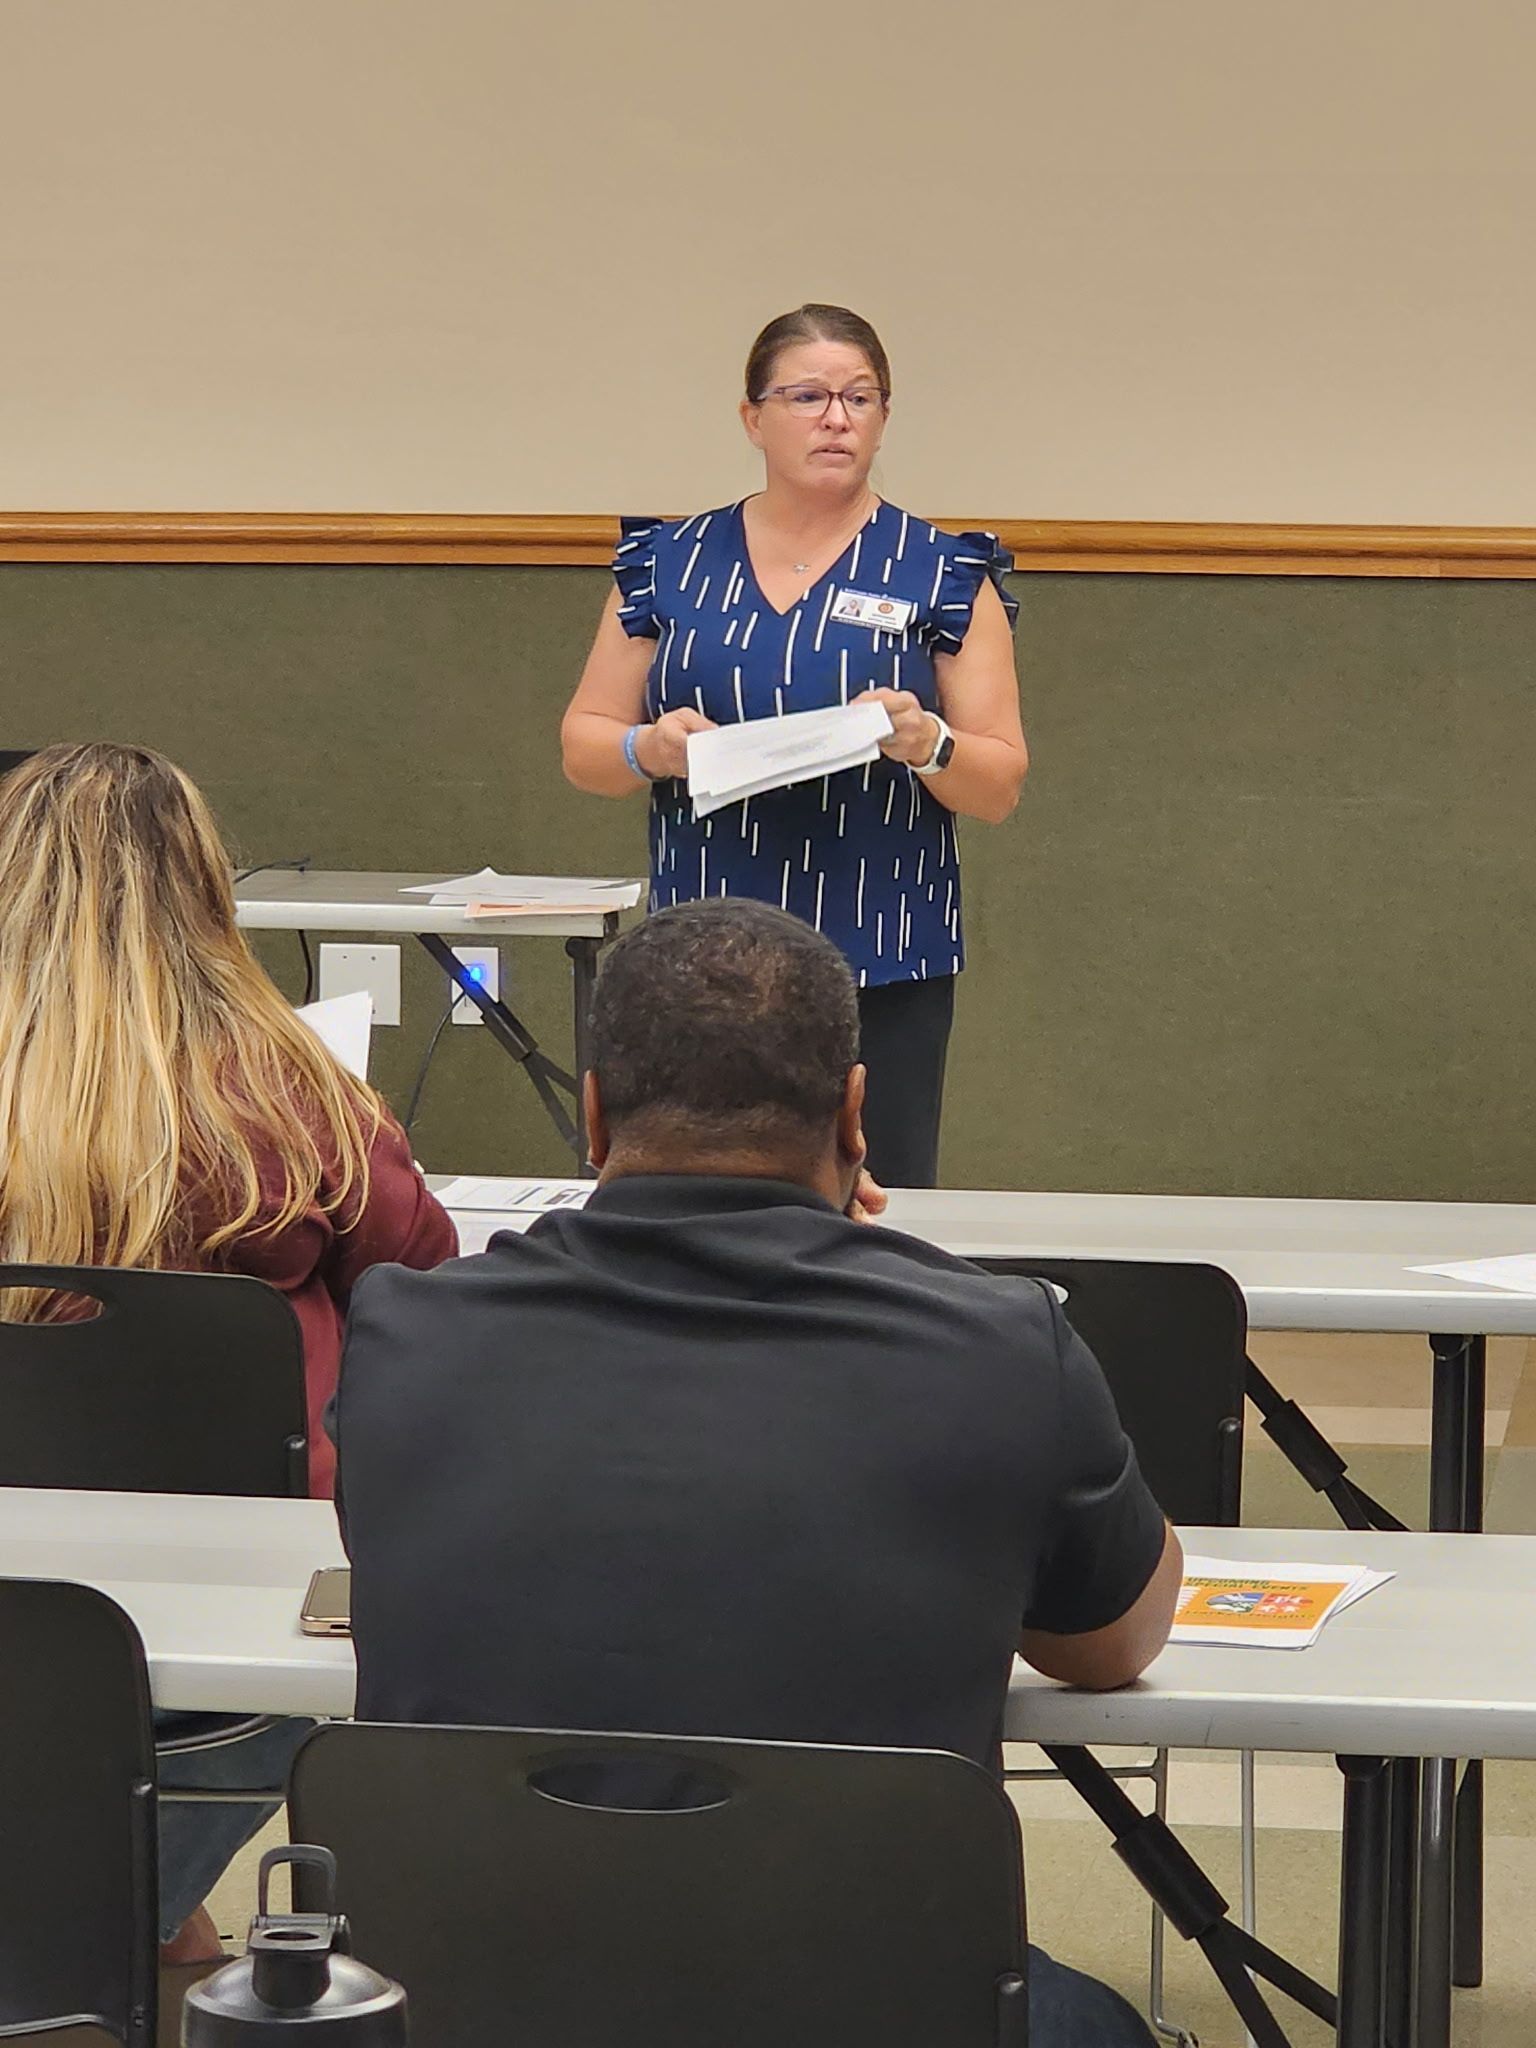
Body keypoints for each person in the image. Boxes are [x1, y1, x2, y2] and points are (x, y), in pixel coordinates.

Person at [332, 899, 1180, 2044]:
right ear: (856, 1113)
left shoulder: (404, 1334)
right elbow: (1113, 1644)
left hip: (469, 1995)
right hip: (867, 1996)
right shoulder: (1000, 1343)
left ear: (590, 1116)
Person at [0, 741, 458, 1970]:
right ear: (206, 886)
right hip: (244, 1642)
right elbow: (421, 1297)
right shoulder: (294, 1088)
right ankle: (122, 1933)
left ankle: (113, 1932)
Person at [561, 303, 1028, 1187]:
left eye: (860, 397)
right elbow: (584, 743)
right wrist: (648, 750)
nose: (836, 418)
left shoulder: (939, 571)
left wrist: (928, 743)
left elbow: (999, 781)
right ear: (753, 417)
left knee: (873, 1214)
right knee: (693, 1199)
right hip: (702, 962)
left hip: (881, 955)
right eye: (807, 395)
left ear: (885, 417)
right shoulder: (669, 563)